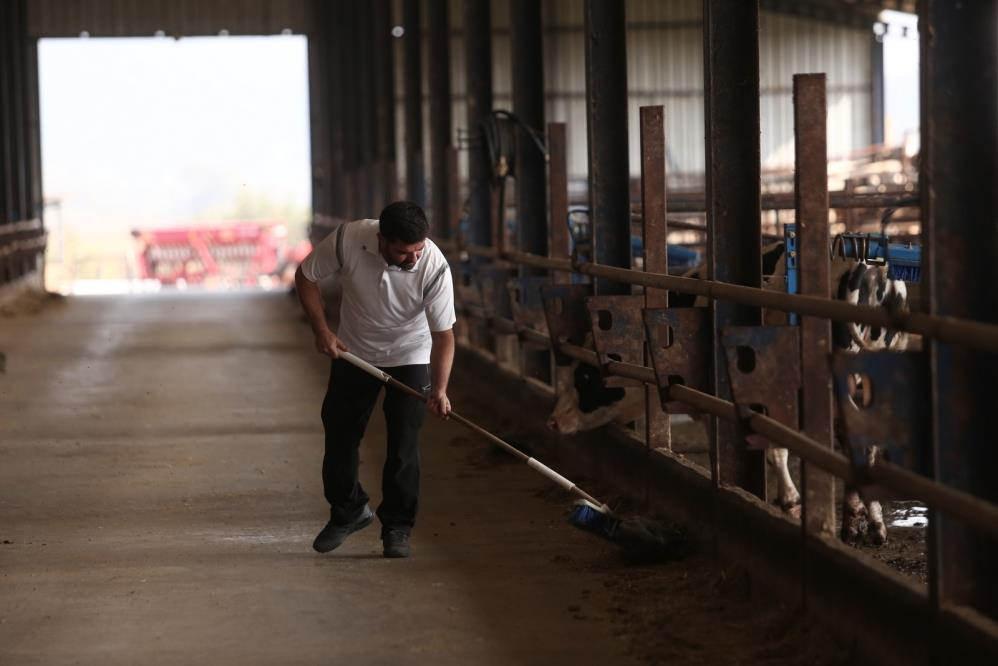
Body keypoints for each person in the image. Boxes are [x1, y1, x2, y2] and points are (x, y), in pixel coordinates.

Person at [294, 201, 455, 558]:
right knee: (339, 433)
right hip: (355, 351)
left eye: (418, 250)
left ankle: (397, 527)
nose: (413, 259)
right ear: (381, 239)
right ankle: (348, 510)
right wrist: (322, 330)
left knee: (403, 445)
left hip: (410, 354)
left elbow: (445, 336)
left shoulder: (434, 266)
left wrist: (440, 390)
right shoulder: (348, 239)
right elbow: (305, 277)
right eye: (403, 251)